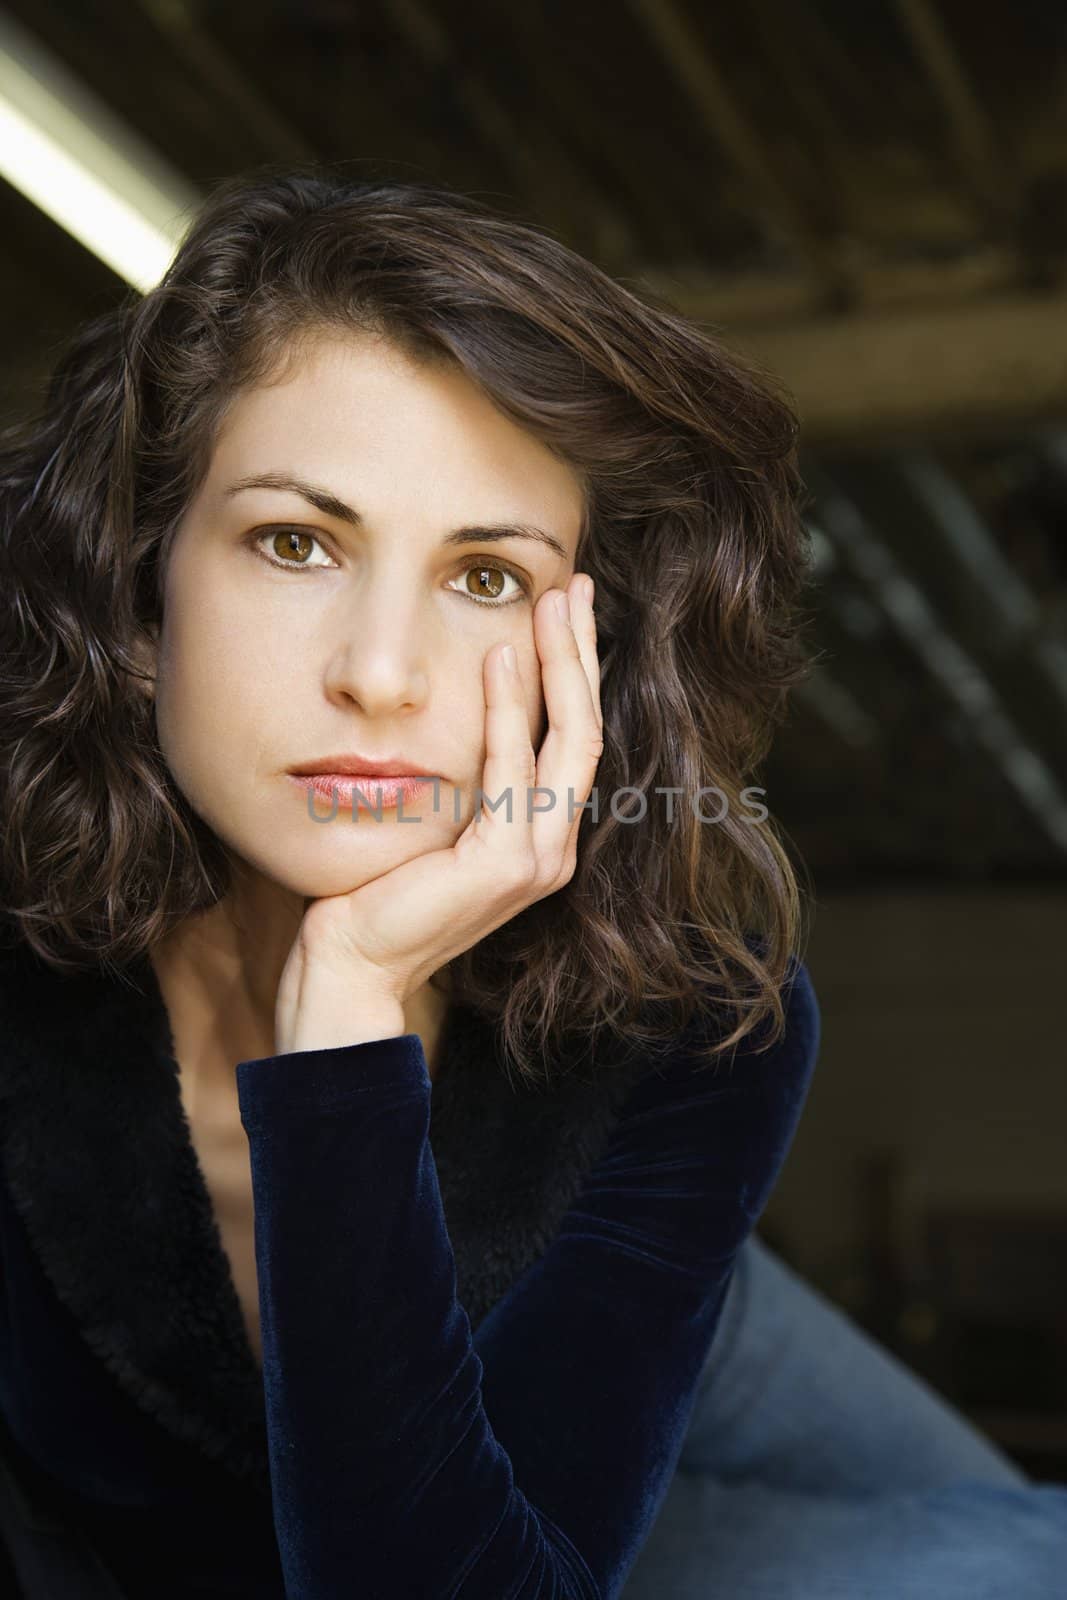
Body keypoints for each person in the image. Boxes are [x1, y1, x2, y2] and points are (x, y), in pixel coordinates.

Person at [0, 163, 1062, 1598]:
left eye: (487, 577)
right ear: (140, 597)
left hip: (630, 1303)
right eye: (295, 543)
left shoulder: (692, 1021)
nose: (378, 676)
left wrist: (349, 1006)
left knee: (1030, 1551)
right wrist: (353, 1042)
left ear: (593, 652)